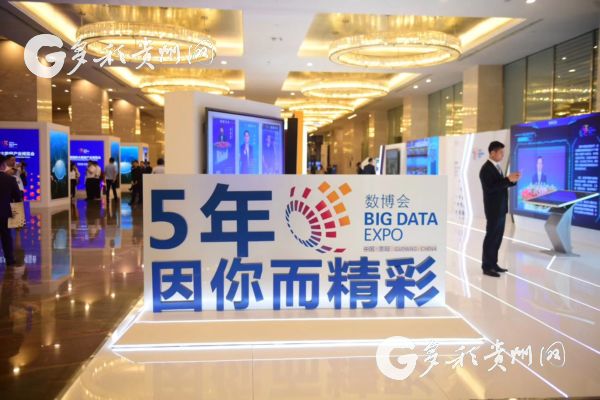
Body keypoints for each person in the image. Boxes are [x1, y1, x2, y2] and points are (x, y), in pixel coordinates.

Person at [479, 141, 521, 278]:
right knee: (491, 237)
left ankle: (493, 263)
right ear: (492, 153)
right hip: (493, 209)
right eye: (501, 152)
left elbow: (500, 185)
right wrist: (507, 179)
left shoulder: (497, 167)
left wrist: (512, 180)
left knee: (497, 238)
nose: (503, 154)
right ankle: (487, 266)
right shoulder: (486, 169)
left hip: (501, 208)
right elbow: (491, 188)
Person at [0, 155, 22, 267]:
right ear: (3, 165)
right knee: (6, 236)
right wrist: (18, 218)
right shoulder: (10, 180)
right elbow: (17, 198)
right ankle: (9, 259)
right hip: (4, 213)